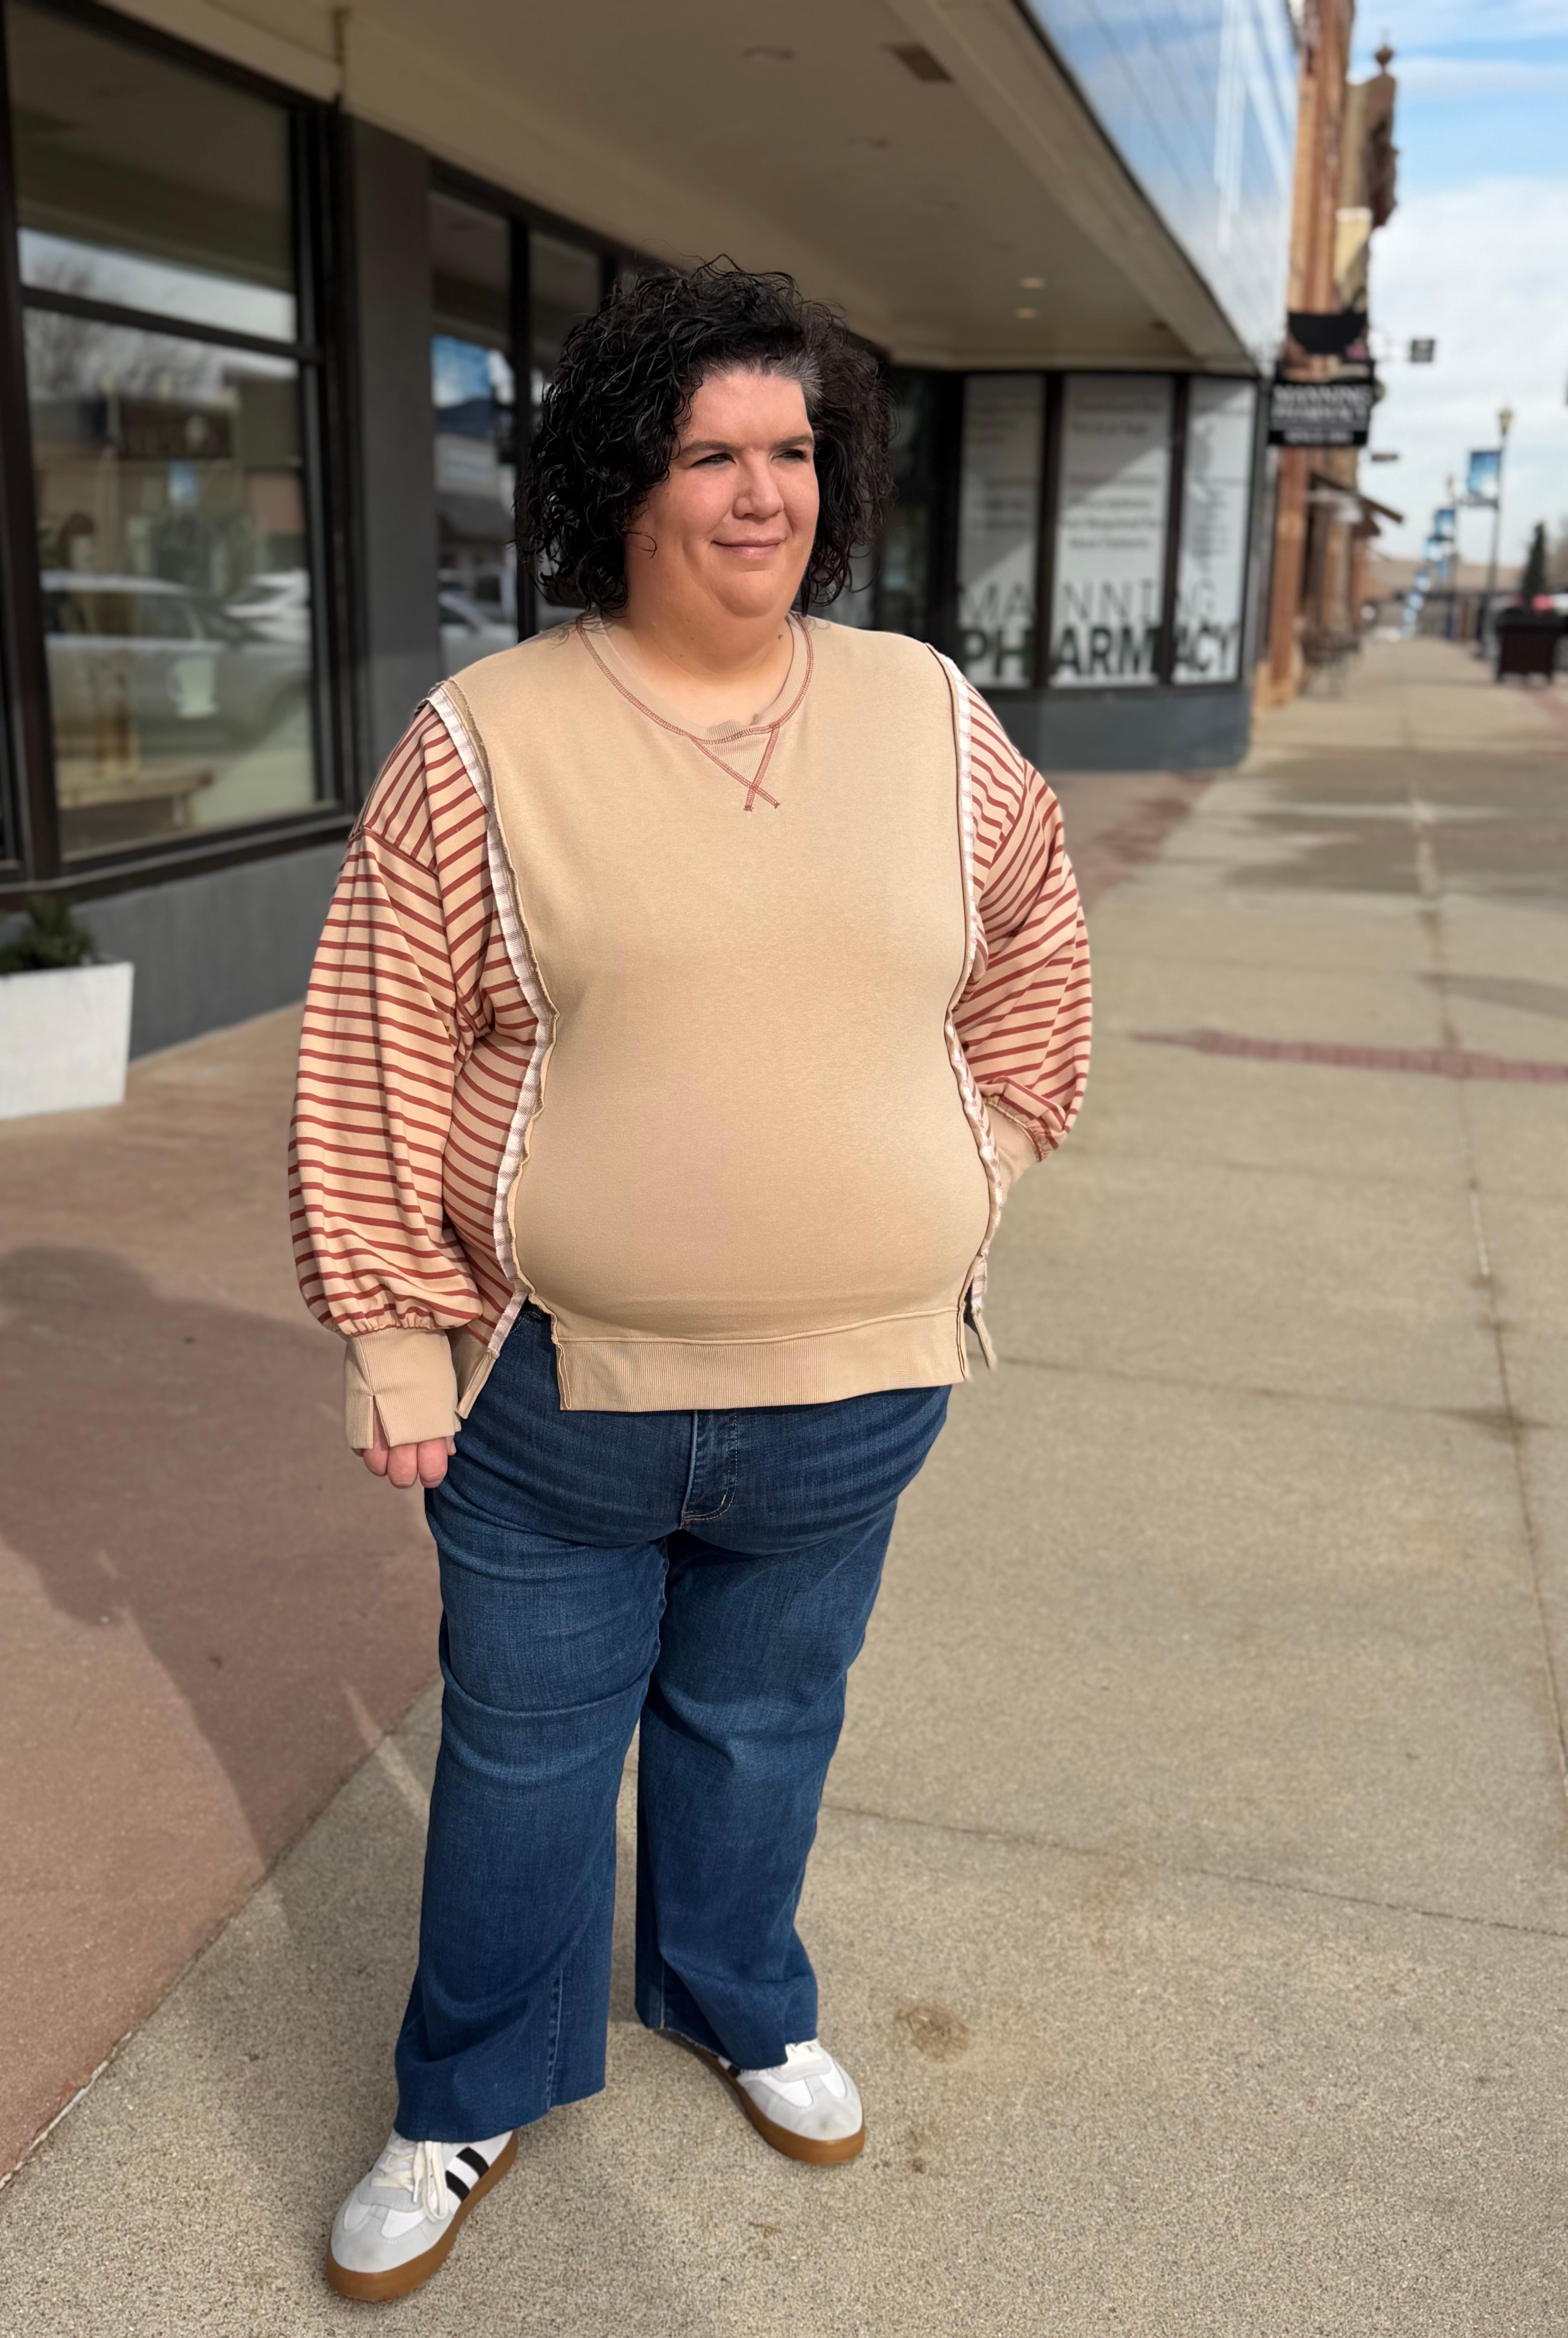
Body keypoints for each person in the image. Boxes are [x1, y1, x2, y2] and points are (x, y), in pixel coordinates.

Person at [289, 262, 1090, 2302]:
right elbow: (378, 1043)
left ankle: (739, 1999)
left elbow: (1037, 947)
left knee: (765, 1723)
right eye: (712, 451)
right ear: (618, 478)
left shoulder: (929, 715)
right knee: (526, 1758)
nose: (763, 493)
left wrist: (972, 1166)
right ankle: (471, 2091)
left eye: (793, 451)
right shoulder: (489, 743)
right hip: (558, 1398)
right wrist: (394, 1338)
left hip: (863, 1382)